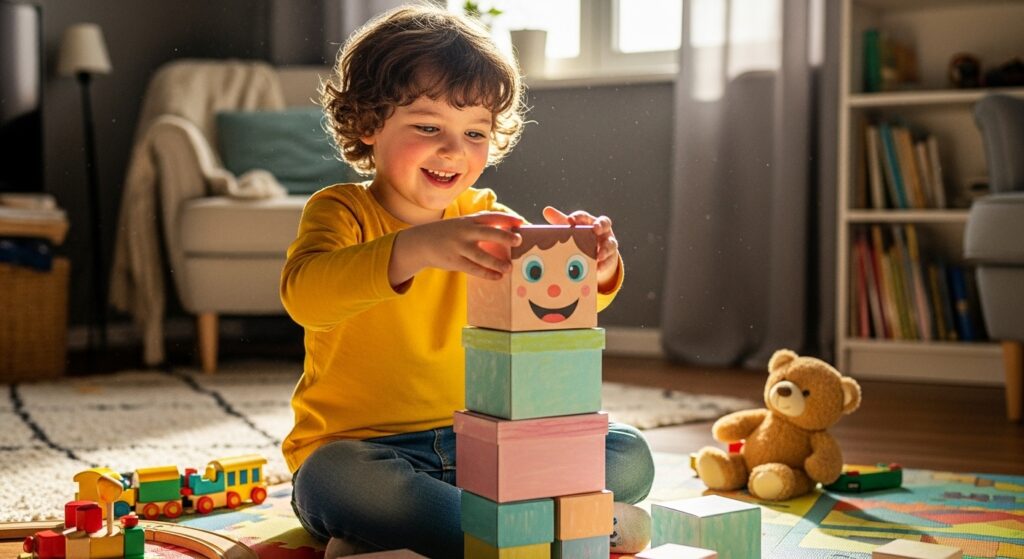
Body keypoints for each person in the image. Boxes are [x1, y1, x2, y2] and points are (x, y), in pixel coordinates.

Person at [281, 4, 654, 557]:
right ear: (368, 124)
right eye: (428, 126)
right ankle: (541, 528)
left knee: (628, 453)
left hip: (489, 447)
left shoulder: (484, 212)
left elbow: (543, 299)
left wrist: (593, 268)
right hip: (370, 451)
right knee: (333, 478)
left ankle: (440, 533)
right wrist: (416, 248)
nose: (454, 150)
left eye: (475, 132)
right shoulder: (339, 212)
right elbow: (306, 296)